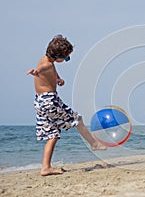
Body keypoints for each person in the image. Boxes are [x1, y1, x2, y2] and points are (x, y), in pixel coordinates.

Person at [27, 35, 106, 176]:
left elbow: (50, 69)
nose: (66, 60)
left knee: (53, 134)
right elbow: (42, 69)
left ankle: (45, 167)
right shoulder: (46, 65)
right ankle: (94, 144)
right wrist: (35, 72)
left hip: (39, 102)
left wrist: (57, 79)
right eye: (66, 58)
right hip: (49, 101)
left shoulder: (46, 60)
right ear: (57, 56)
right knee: (77, 119)